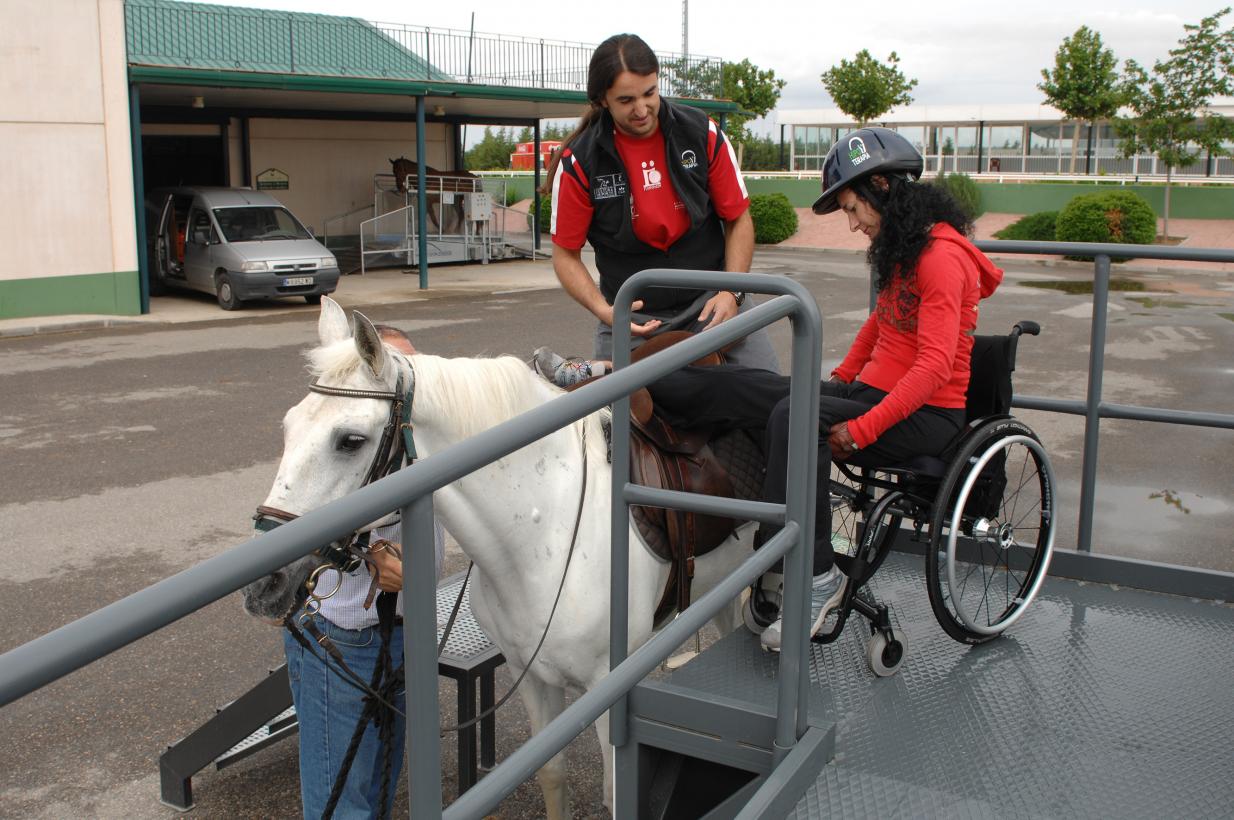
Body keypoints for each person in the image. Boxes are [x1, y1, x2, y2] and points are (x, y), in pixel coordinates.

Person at [646, 127, 1004, 652]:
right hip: (873, 396)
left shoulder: (942, 259)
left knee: (793, 414)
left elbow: (933, 368)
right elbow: (879, 327)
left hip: (926, 415)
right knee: (747, 386)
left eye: (853, 208)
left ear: (883, 186)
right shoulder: (906, 250)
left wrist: (862, 428)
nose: (854, 223)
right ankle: (641, 384)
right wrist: (839, 383)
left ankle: (813, 573)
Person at [544, 33, 779, 379]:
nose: (641, 109)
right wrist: (606, 311)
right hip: (633, 318)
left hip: (713, 302)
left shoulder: (701, 133)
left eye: (649, 93)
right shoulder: (580, 161)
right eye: (626, 100)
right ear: (603, 100)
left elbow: (738, 219)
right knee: (615, 411)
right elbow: (565, 254)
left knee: (771, 395)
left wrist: (732, 292)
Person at [282, 325, 446, 818]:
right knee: (343, 800)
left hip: (401, 631)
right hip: (345, 637)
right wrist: (371, 552)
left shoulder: (417, 433)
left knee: (378, 783)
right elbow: (308, 503)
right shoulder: (353, 429)